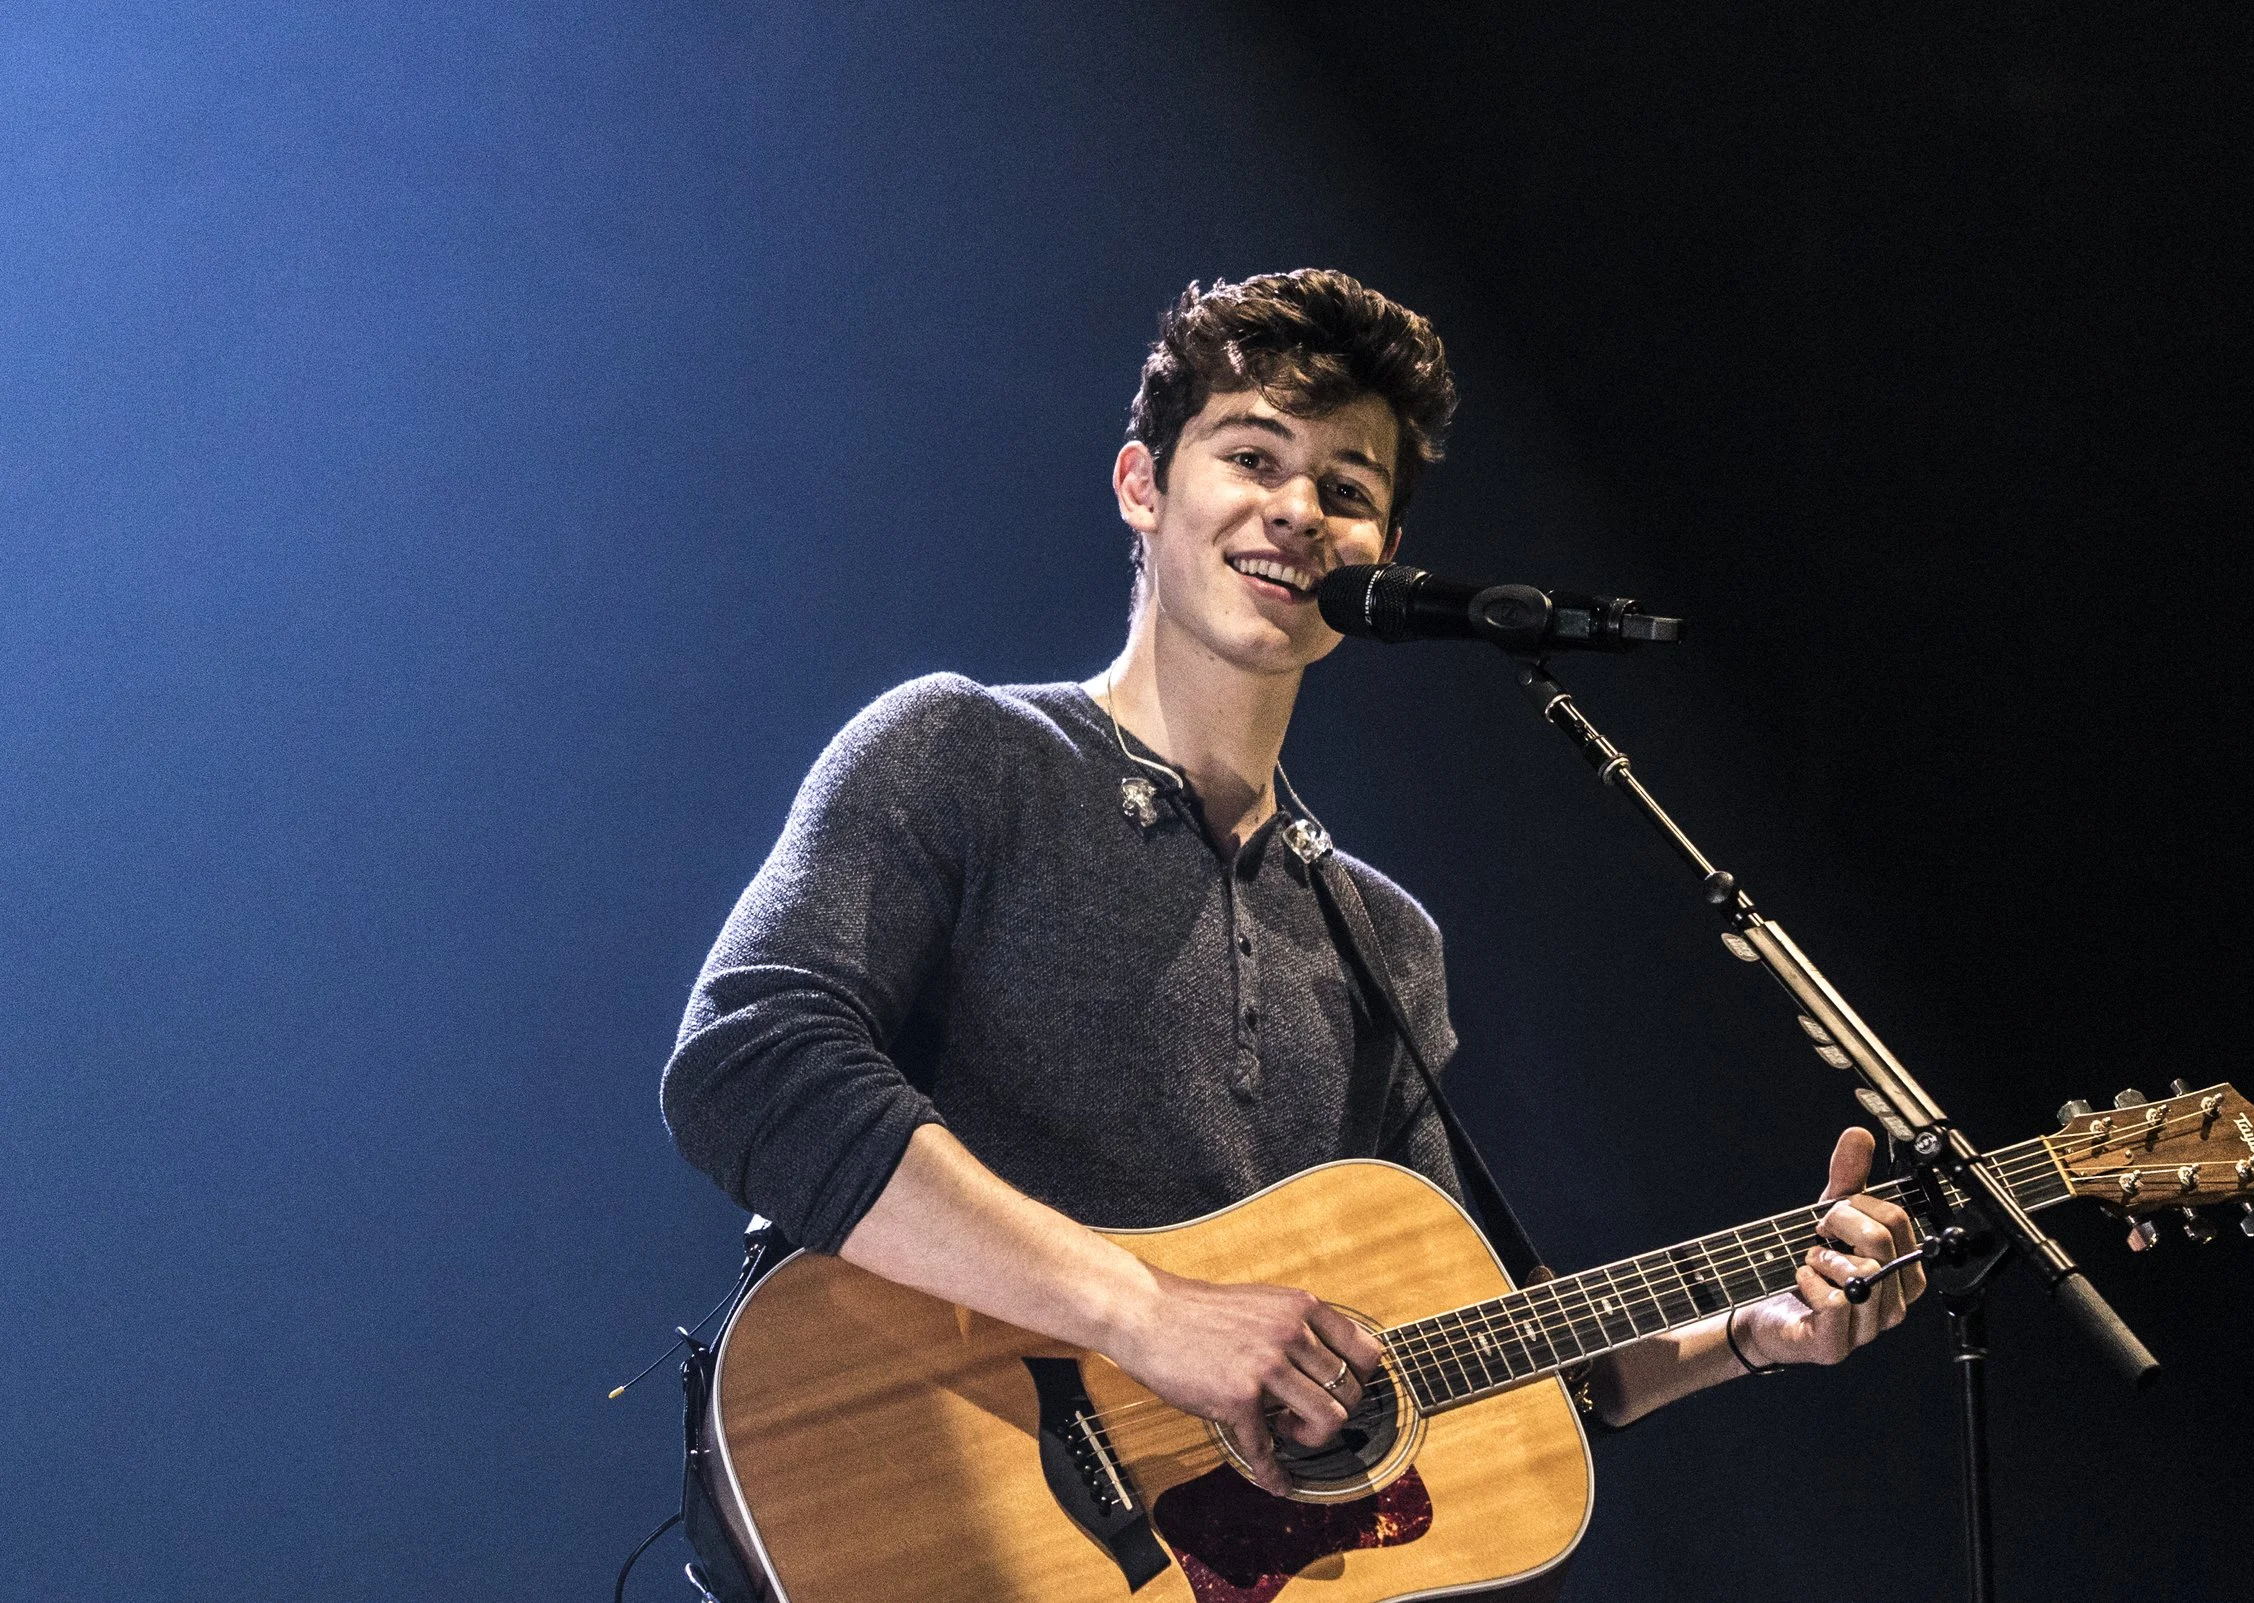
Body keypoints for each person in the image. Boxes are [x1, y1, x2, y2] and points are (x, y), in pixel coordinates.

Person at [661, 269, 1922, 1501]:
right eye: (1254, 458)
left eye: (1347, 485)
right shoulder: (961, 751)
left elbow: (1462, 1340)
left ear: (1379, 554)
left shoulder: (1383, 936)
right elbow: (748, 1066)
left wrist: (1752, 1331)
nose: (1299, 507)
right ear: (1142, 485)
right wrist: (1143, 1312)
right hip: (907, 1496)